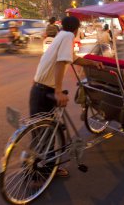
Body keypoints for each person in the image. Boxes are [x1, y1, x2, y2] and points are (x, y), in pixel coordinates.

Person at [29, 15, 103, 177]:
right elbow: (61, 62)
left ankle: (35, 170)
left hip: (37, 89)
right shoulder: (69, 36)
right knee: (47, 133)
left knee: (40, 134)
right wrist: (58, 91)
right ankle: (46, 170)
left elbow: (73, 59)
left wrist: (92, 63)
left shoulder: (60, 35)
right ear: (76, 29)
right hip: (45, 91)